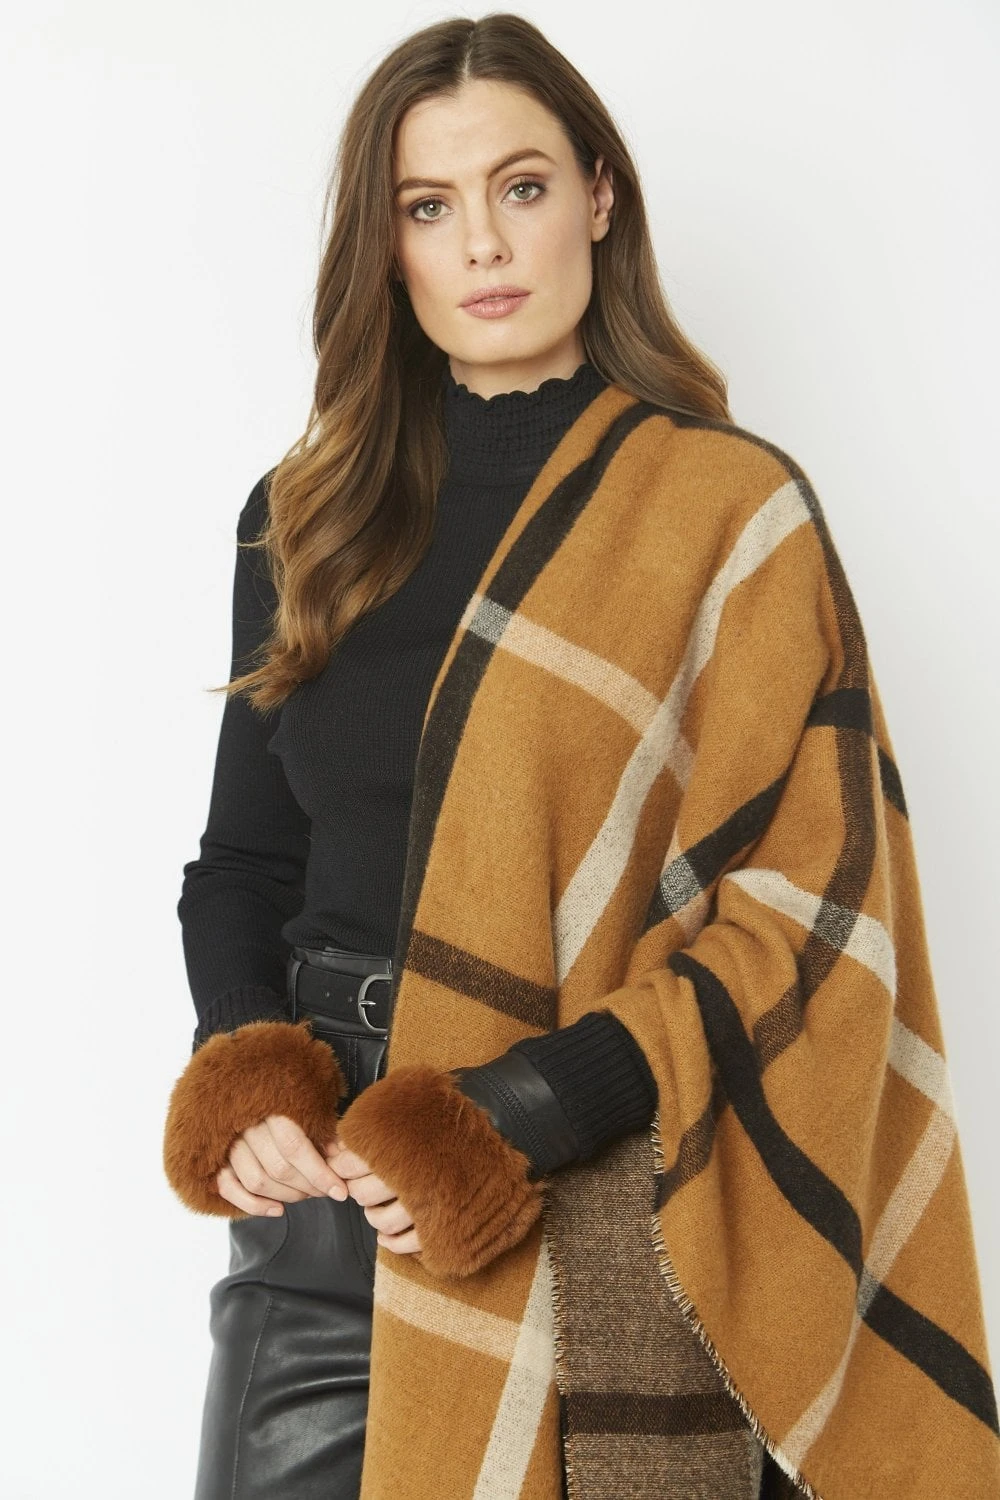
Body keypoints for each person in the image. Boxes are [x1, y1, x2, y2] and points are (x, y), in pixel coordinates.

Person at [162, 13, 999, 1500]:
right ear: (387, 246)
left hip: (595, 1179)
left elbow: (814, 917)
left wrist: (529, 1111)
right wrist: (251, 1076)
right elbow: (242, 863)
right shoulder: (305, 516)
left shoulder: (727, 514)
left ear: (600, 198)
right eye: (430, 207)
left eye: (523, 187)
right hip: (326, 1218)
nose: (483, 243)